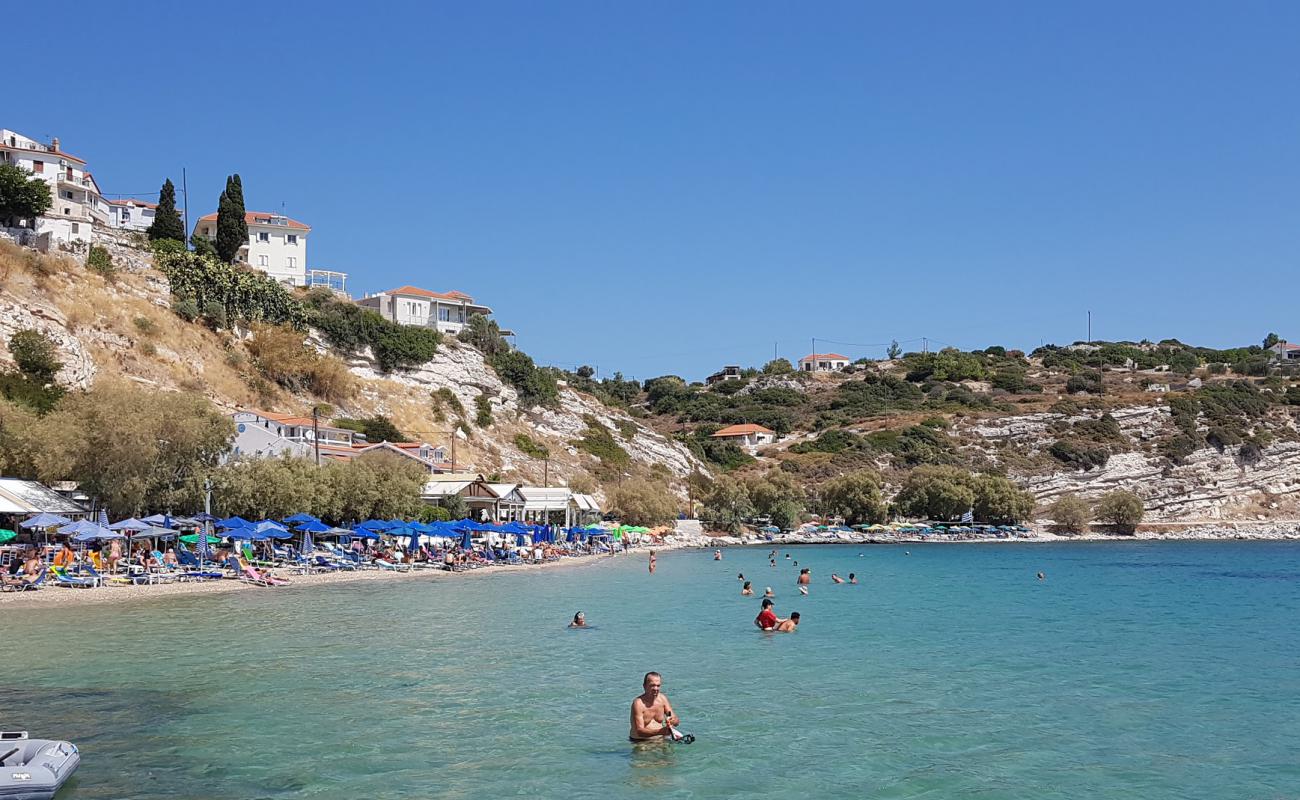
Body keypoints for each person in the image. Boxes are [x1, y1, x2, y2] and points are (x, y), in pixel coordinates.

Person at [629, 672, 680, 742]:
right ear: (644, 686)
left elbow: (676, 720)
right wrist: (660, 732)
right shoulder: (638, 703)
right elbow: (639, 731)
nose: (655, 688)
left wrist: (673, 721)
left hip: (660, 739)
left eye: (658, 686)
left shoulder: (662, 699)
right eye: (652, 685)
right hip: (641, 742)